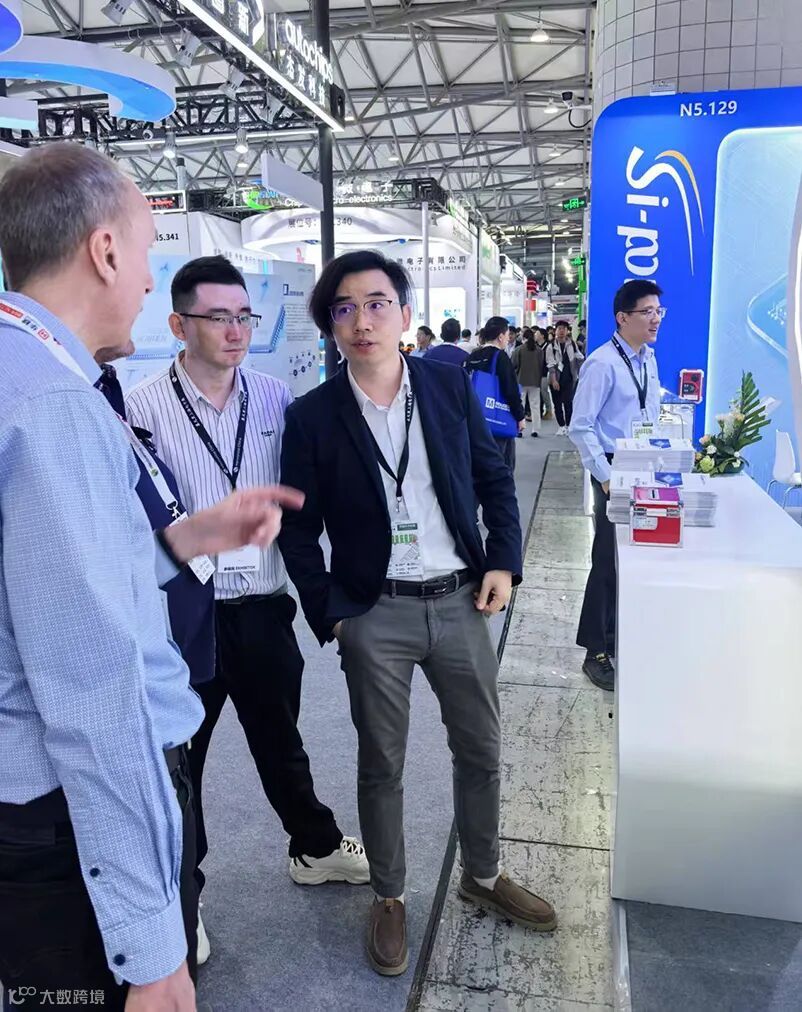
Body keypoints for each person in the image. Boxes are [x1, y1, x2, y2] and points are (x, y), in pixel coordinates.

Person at [0, 144, 300, 1011]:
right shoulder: (55, 406)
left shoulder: (30, 373)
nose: (143, 278)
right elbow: (93, 686)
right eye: (143, 251)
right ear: (103, 251)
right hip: (59, 823)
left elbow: (38, 584)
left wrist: (183, 540)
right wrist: (152, 945)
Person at [279, 250, 557, 978]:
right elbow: (298, 531)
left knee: (481, 748)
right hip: (376, 612)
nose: (362, 321)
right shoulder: (312, 416)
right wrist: (333, 614)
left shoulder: (445, 383)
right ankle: (390, 895)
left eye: (376, 303)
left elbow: (492, 477)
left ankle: (484, 874)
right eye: (344, 308)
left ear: (404, 314)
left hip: (461, 597)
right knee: (383, 762)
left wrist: (503, 560)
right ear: (330, 326)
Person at [126, 256, 369, 940]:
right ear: (179, 325)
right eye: (218, 317)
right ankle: (186, 895)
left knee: (280, 739)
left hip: (262, 606)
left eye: (244, 316)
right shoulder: (142, 408)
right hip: (184, 618)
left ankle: (314, 848)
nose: (235, 331)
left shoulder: (273, 398)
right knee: (182, 763)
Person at [569, 280, 664, 691]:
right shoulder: (603, 364)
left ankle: (618, 636)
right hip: (614, 468)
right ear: (623, 317)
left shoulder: (648, 359)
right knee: (607, 559)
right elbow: (581, 426)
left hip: (645, 464)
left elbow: (650, 411)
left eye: (659, 311)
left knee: (635, 557)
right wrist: (605, 477)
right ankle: (595, 650)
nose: (655, 319)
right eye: (647, 312)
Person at [466, 317, 526, 470]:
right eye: (507, 335)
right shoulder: (500, 357)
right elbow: (510, 390)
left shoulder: (472, 356)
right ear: (500, 336)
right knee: (502, 464)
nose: (508, 338)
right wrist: (520, 416)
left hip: (475, 419)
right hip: (498, 420)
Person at [546, 320, 584, 433]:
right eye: (559, 329)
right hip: (556, 379)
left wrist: (581, 372)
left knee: (568, 403)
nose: (561, 331)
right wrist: (554, 381)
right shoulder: (551, 346)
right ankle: (561, 426)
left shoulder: (572, 344)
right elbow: (550, 364)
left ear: (567, 331)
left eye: (564, 329)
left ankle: (569, 426)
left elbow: (579, 358)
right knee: (557, 403)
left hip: (569, 378)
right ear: (555, 331)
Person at [511, 328, 545, 437]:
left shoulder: (519, 349)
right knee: (535, 406)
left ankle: (519, 430)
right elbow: (541, 365)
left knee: (520, 405)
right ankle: (536, 430)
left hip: (521, 381)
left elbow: (514, 365)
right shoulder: (539, 350)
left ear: (523, 337)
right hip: (535, 381)